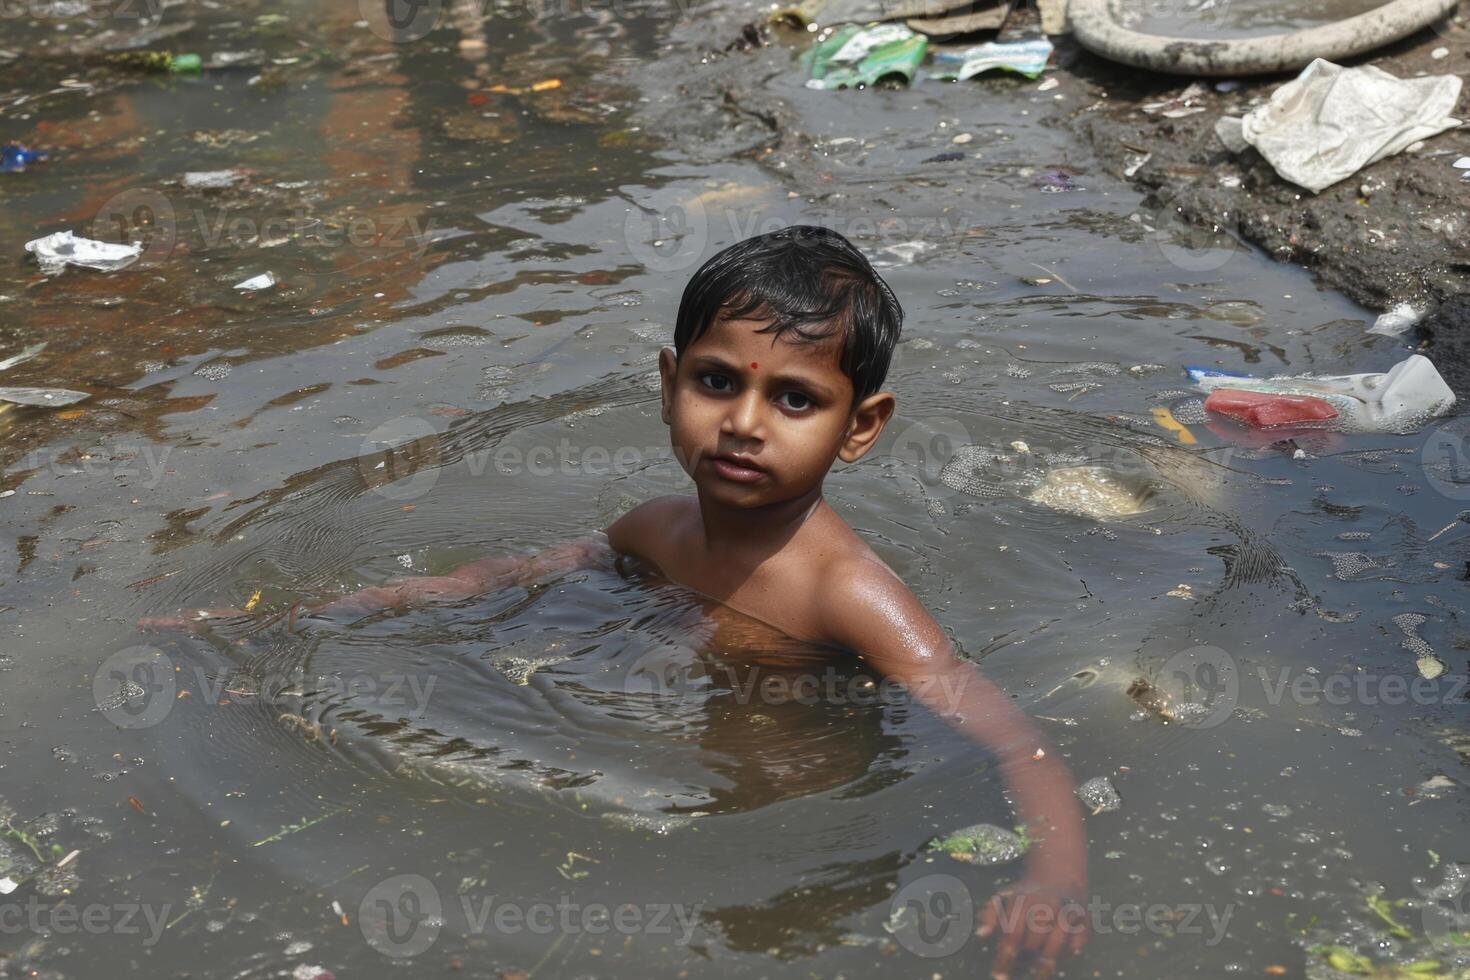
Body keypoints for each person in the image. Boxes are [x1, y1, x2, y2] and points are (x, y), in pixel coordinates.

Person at [144, 225, 1089, 979]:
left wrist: (1055, 873)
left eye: (795, 400)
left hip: (812, 782)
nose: (745, 424)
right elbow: (496, 580)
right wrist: (306, 616)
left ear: (860, 429)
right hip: (700, 749)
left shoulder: (849, 595)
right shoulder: (656, 530)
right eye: (717, 382)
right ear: (669, 382)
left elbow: (1011, 737)